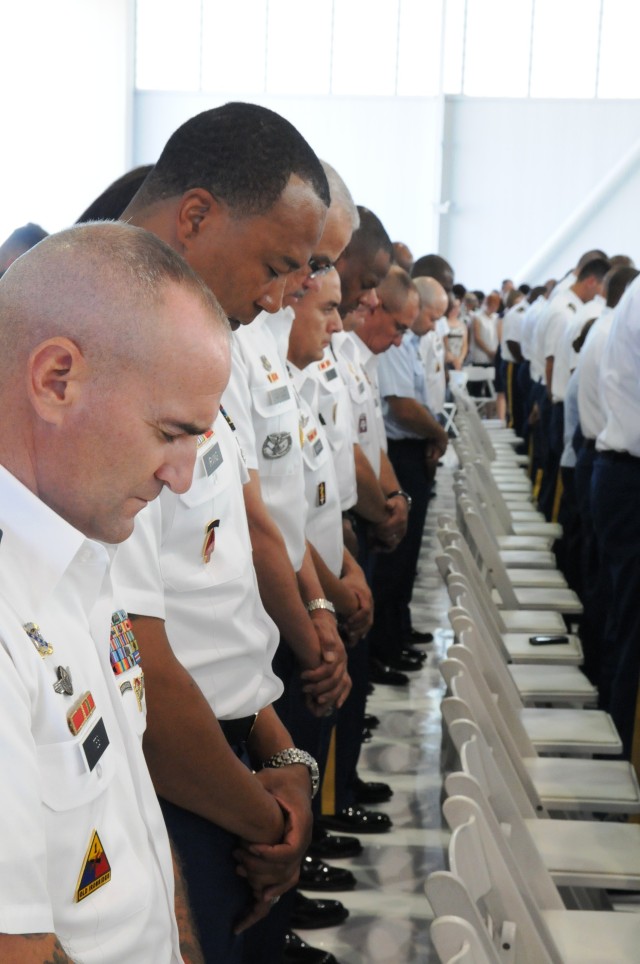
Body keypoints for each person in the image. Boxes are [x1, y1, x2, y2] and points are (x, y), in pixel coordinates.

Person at [109, 104, 351, 964]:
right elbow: (136, 659)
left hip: (230, 764)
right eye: (282, 264)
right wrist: (269, 815)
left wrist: (281, 749)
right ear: (199, 215)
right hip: (172, 795)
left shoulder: (198, 341)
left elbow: (218, 586)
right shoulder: (108, 354)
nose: (285, 294)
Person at [0, 221, 232, 963]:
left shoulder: (83, 551)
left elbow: (131, 818)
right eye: (170, 433)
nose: (182, 476)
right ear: (56, 379)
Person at [369, 273, 449, 674]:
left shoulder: (408, 342)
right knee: (393, 561)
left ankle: (395, 632)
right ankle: (384, 644)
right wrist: (438, 432)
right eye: (430, 316)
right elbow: (402, 405)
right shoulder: (393, 346)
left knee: (406, 557)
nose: (433, 325)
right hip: (398, 453)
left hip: (408, 451)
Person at [591, 274, 640, 760]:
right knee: (632, 638)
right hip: (630, 478)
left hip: (623, 475)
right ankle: (623, 768)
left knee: (625, 628)